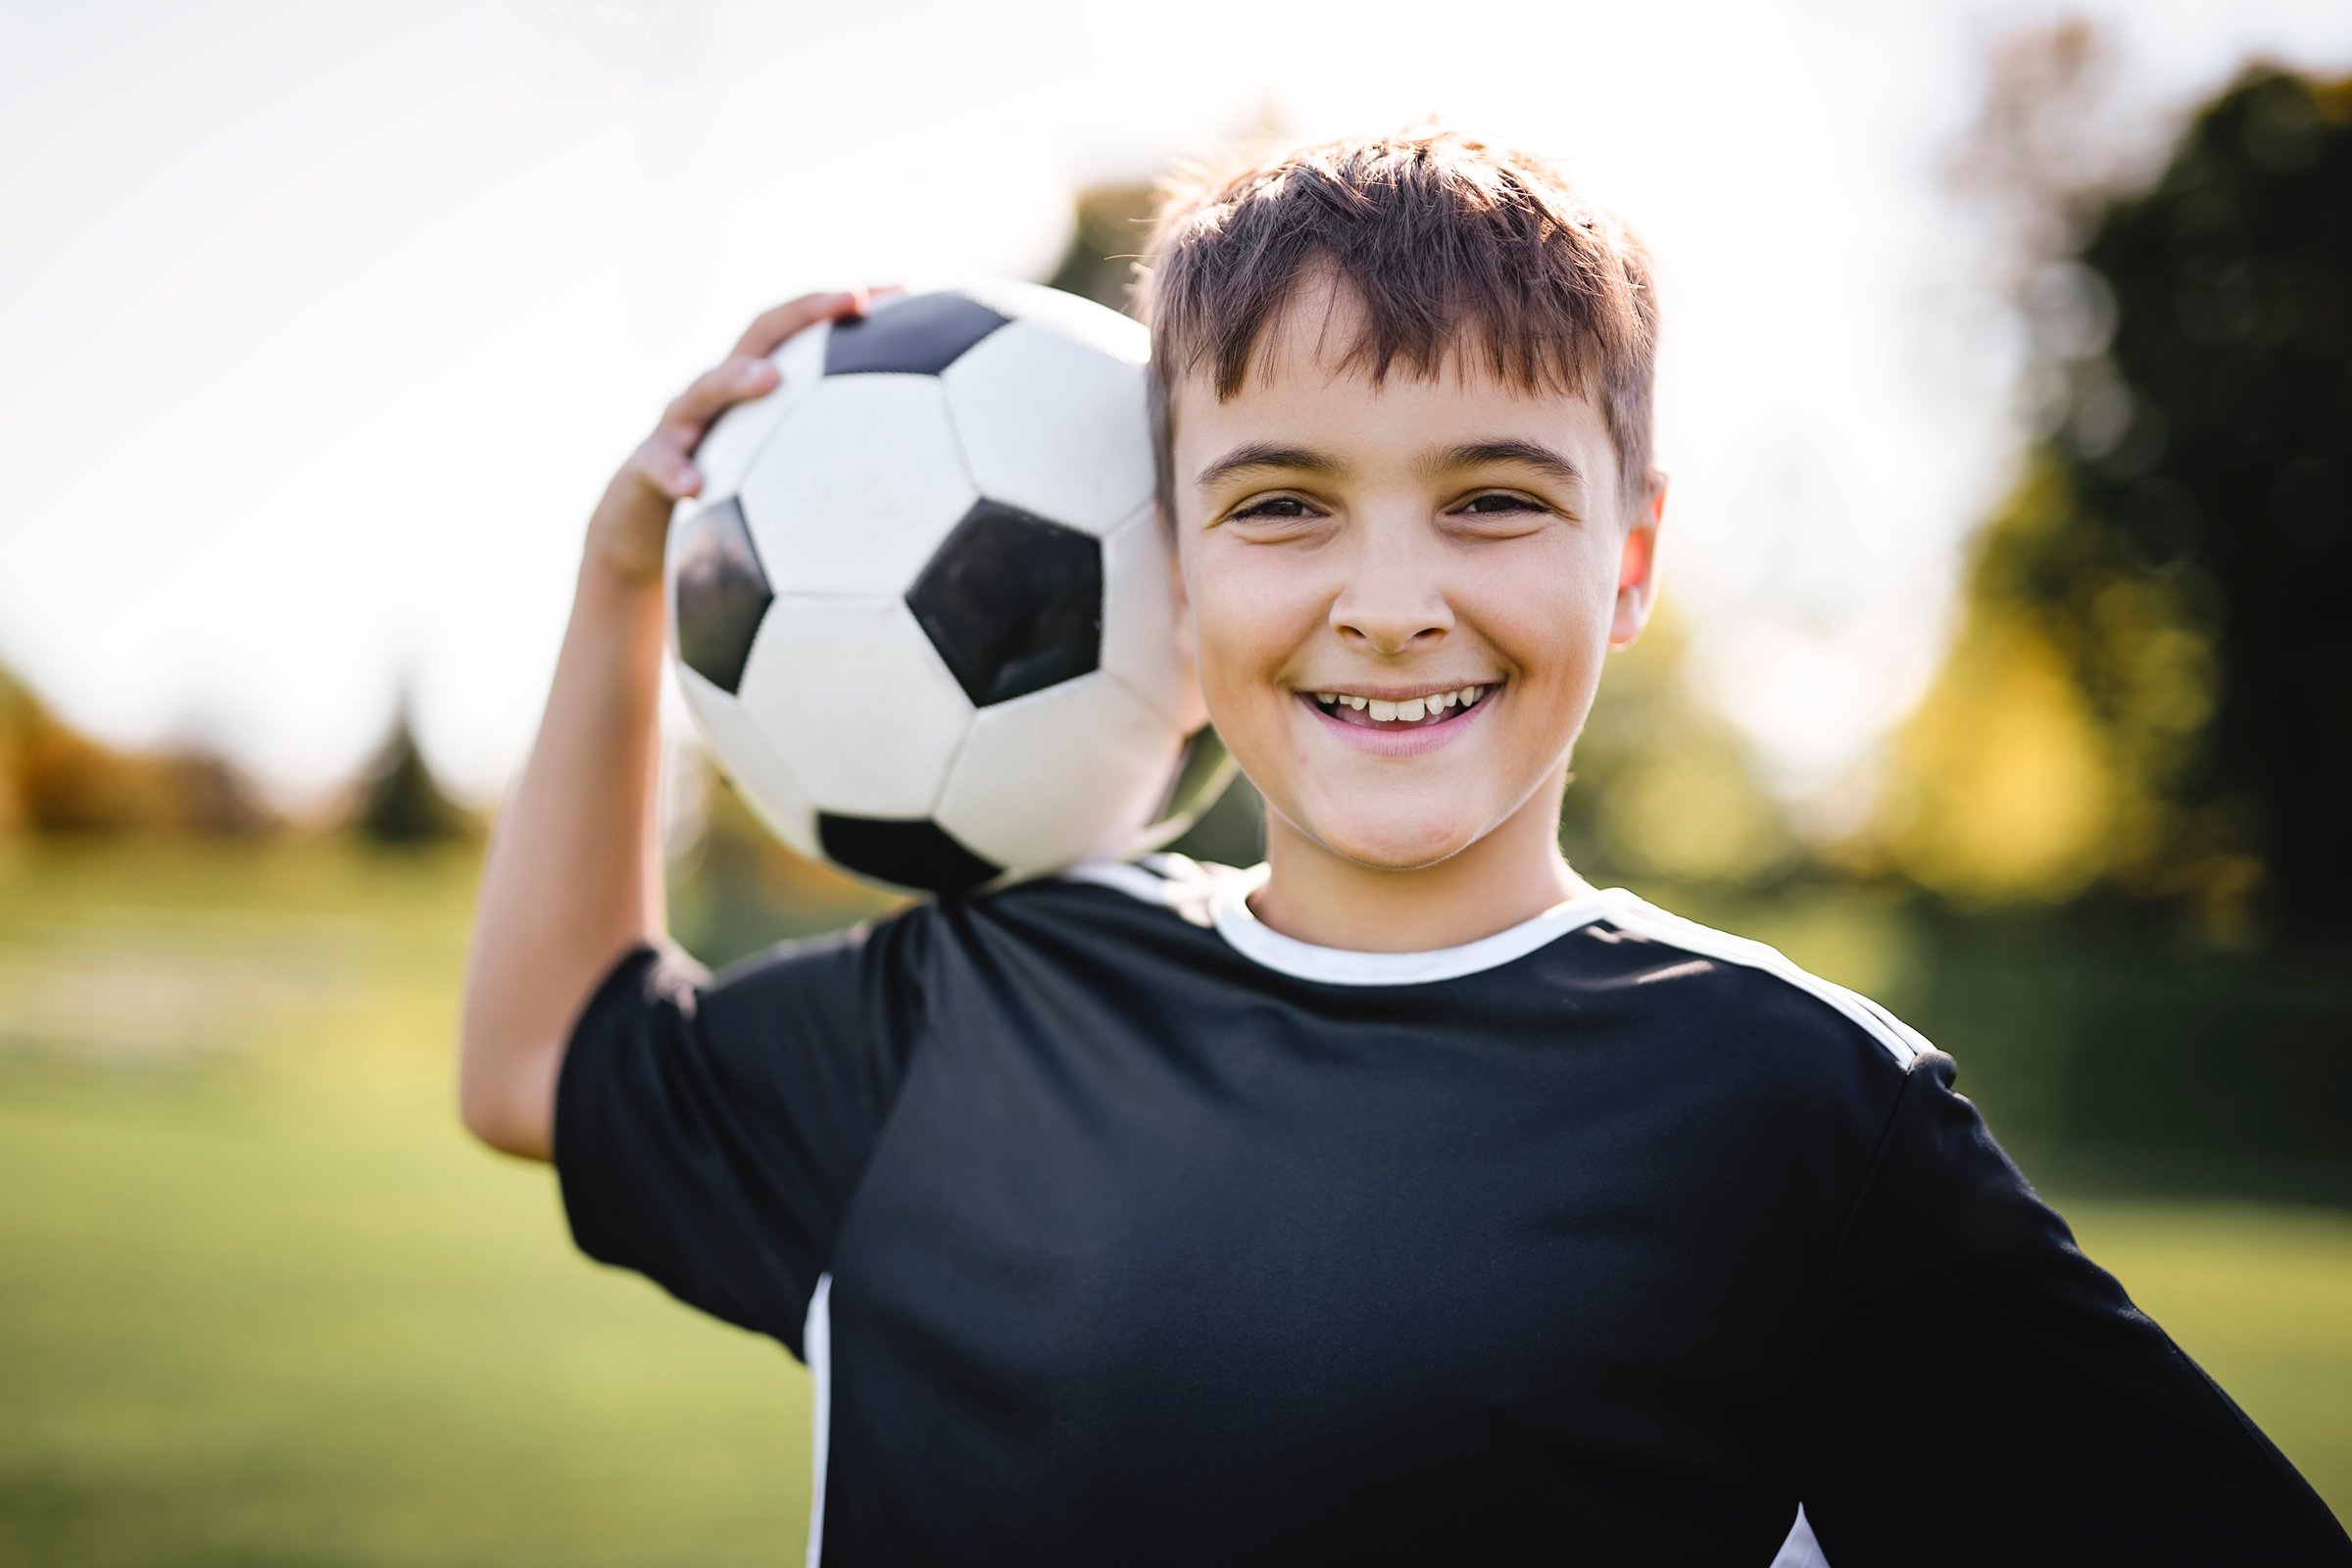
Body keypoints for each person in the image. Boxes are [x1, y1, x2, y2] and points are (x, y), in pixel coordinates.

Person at [456, 126, 2350, 1565]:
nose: (1389, 601)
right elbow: (538, 1059)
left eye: (1492, 500)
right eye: (1284, 503)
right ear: (1170, 570)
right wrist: (626, 575)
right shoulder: (971, 1008)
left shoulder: (1794, 1112)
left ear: (1629, 563)